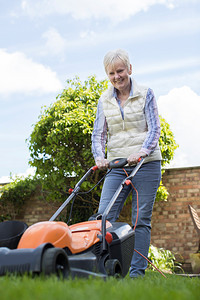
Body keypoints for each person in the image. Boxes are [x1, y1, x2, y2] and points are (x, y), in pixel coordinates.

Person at [91, 49, 162, 278]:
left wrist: (142, 151)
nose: (116, 76)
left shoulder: (145, 93)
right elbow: (98, 134)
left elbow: (154, 128)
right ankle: (105, 270)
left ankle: (136, 274)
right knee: (104, 217)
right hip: (117, 166)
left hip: (146, 164)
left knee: (140, 220)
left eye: (120, 70)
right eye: (111, 73)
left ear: (129, 69)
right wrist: (99, 157)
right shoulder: (104, 100)